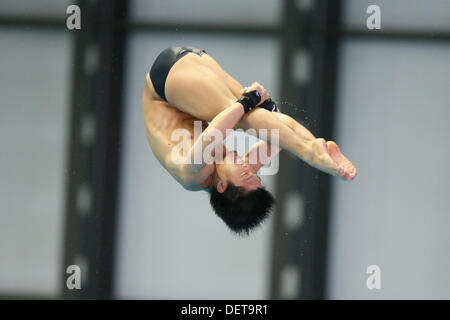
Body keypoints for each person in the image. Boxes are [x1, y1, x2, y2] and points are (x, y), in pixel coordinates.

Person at [142, 46, 356, 235]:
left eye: (246, 174)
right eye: (253, 173)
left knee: (239, 116)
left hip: (166, 84)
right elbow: (276, 139)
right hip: (191, 71)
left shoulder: (191, 173)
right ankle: (316, 147)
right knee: (255, 120)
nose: (249, 166)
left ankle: (311, 153)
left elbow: (214, 132)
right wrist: (269, 108)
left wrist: (249, 101)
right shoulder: (233, 171)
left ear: (223, 186)